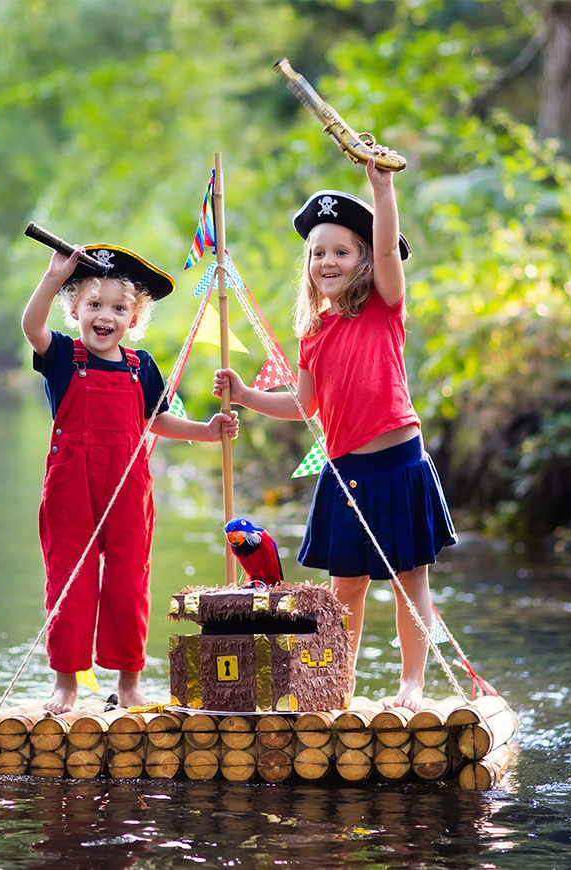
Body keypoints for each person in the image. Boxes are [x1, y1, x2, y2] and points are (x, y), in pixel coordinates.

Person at [213, 151, 455, 711]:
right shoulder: (311, 331)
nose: (328, 260)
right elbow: (305, 405)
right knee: (345, 587)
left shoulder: (382, 307)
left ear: (364, 260)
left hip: (398, 463)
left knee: (408, 580)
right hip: (346, 472)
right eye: (319, 252)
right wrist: (248, 396)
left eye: (342, 251)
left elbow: (391, 250)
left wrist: (382, 192)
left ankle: (411, 685)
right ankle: (335, 687)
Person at [23, 243, 238, 713]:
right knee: (70, 582)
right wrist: (54, 276)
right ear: (75, 307)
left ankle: (129, 682)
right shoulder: (63, 355)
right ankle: (67, 684)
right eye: (95, 304)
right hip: (71, 487)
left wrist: (206, 431)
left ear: (134, 317)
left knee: (128, 582)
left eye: (120, 308)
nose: (106, 316)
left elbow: (156, 420)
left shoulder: (142, 367)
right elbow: (30, 326)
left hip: (128, 487)